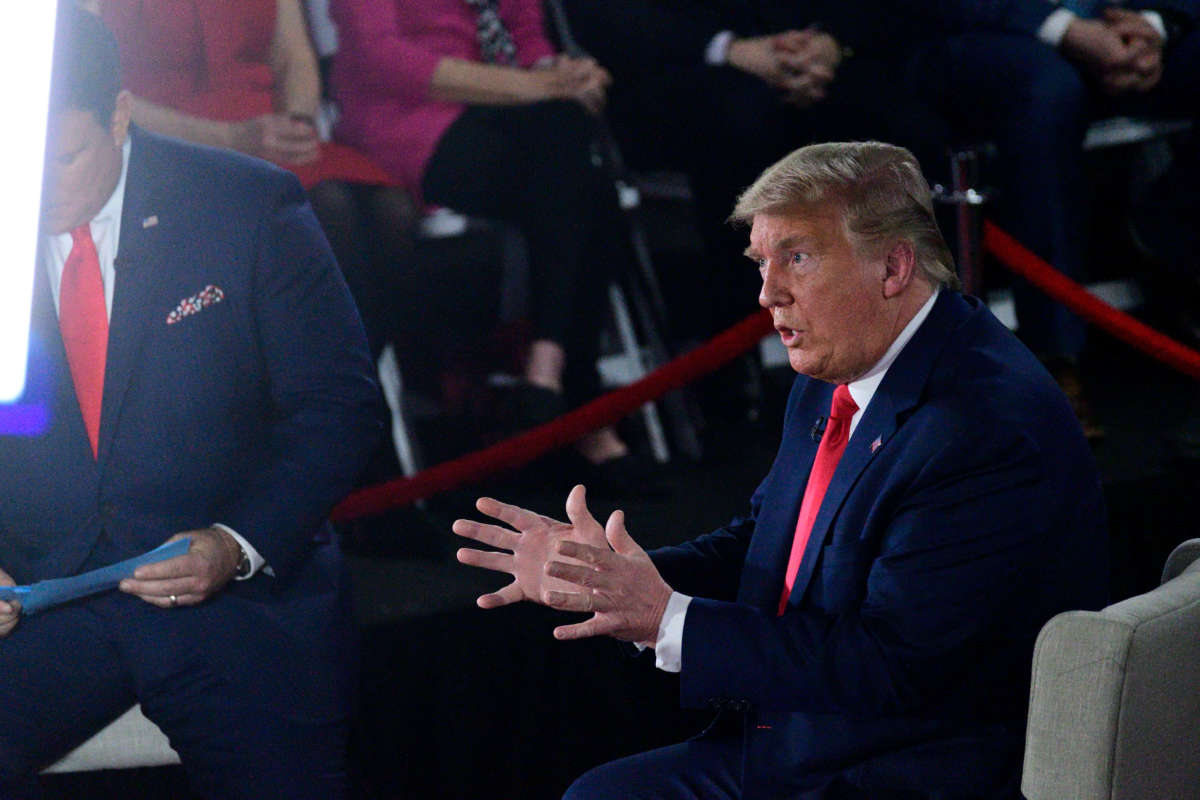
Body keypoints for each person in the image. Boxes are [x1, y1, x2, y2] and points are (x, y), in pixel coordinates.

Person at [454, 141, 1108, 798]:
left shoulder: (979, 426)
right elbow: (767, 545)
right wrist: (610, 581)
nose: (768, 294)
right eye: (760, 263)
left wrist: (666, 618)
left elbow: (892, 666)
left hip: (914, 767)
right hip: (813, 738)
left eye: (796, 258)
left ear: (892, 266)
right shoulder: (839, 367)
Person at [0, 7, 380, 797]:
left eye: (63, 159)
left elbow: (338, 407)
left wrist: (236, 543)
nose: (34, 192)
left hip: (232, 602)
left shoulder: (242, 207)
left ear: (121, 113)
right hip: (47, 602)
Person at [330, 0, 632, 469]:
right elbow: (381, 58)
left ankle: (549, 375)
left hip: (515, 113)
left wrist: (562, 74)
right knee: (576, 171)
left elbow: (526, 30)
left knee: (577, 160)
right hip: (410, 120)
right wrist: (537, 86)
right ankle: (575, 394)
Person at [891, 0, 1200, 437]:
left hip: (1128, 25)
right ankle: (1056, 361)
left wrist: (1156, 22)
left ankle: (1169, 221)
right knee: (1047, 91)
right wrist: (1064, 29)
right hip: (994, 30)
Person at [559, 0, 953, 336]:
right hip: (673, 70)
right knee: (736, 117)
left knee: (910, 119)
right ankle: (742, 356)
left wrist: (828, 43)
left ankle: (934, 326)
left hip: (810, 56)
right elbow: (606, 16)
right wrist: (730, 50)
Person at [90, 0, 416, 358]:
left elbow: (293, 54)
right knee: (327, 211)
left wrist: (299, 121)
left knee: (390, 211)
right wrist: (231, 139)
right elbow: (97, 97)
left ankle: (359, 380)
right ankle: (332, 389)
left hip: (267, 133)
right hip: (169, 145)